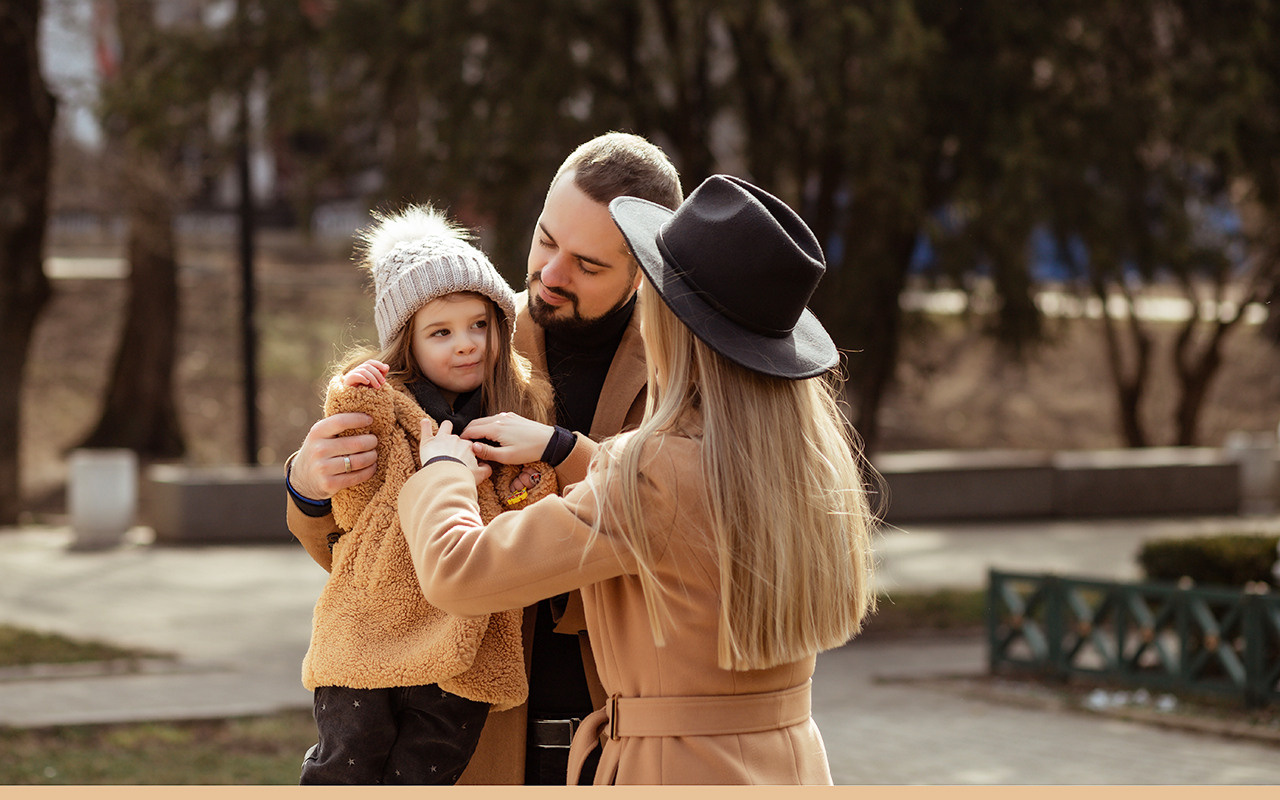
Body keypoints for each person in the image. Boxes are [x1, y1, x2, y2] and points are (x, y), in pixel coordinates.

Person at [400, 174, 879, 784]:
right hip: (791, 763)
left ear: (676, 325)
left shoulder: (655, 471)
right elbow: (678, 510)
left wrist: (442, 471)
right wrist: (564, 451)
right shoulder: (807, 456)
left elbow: (458, 571)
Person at [285, 131, 683, 784]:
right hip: (474, 737)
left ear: (644, 269)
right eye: (547, 240)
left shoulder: (688, 371)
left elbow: (682, 540)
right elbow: (364, 551)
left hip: (626, 739)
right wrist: (308, 487)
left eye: (587, 264)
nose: (550, 275)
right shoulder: (465, 325)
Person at [294, 204, 558, 784]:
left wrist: (530, 482)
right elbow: (351, 494)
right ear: (406, 344)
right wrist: (354, 394)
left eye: (479, 325)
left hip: (463, 636)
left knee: (426, 773)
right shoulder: (389, 408)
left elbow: (532, 518)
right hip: (370, 624)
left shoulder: (515, 412)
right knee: (347, 765)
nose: (465, 344)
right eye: (441, 332)